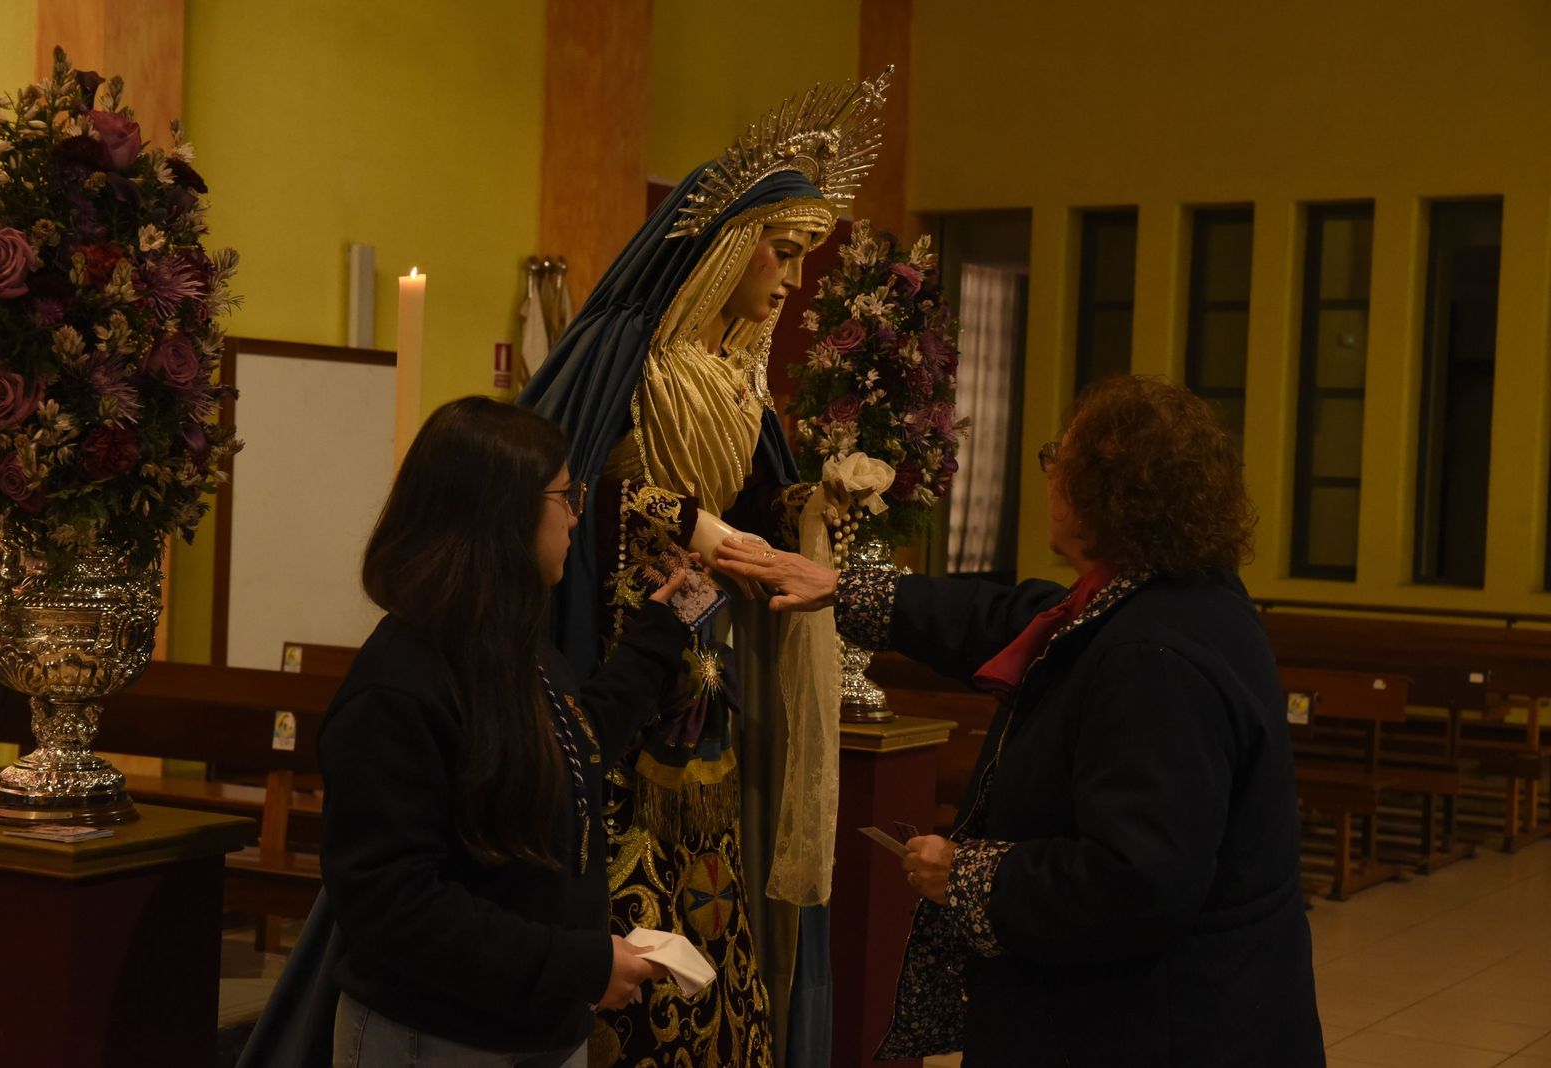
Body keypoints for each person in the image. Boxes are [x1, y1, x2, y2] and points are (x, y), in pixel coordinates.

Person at [716, 375, 1326, 1067]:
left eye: (1058, 457)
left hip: (1159, 1029)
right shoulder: (1162, 596)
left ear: (1102, 491)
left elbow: (1136, 881)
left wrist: (970, 875)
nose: (1049, 473)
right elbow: (1010, 618)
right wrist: (843, 587)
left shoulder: (1154, 658)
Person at [520, 70, 891, 1067]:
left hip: (706, 667)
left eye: (804, 258)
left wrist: (816, 505)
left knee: (713, 881)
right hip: (616, 651)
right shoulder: (623, 357)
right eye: (784, 251)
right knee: (627, 855)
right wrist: (683, 521)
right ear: (728, 242)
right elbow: (561, 488)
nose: (792, 280)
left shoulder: (737, 383)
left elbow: (759, 510)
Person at [319, 397, 694, 1067]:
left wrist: (664, 632)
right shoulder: (401, 683)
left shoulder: (509, 645)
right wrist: (574, 962)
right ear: (501, 513)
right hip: (437, 1039)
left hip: (536, 1027)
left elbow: (572, 748)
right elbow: (392, 904)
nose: (575, 515)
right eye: (564, 495)